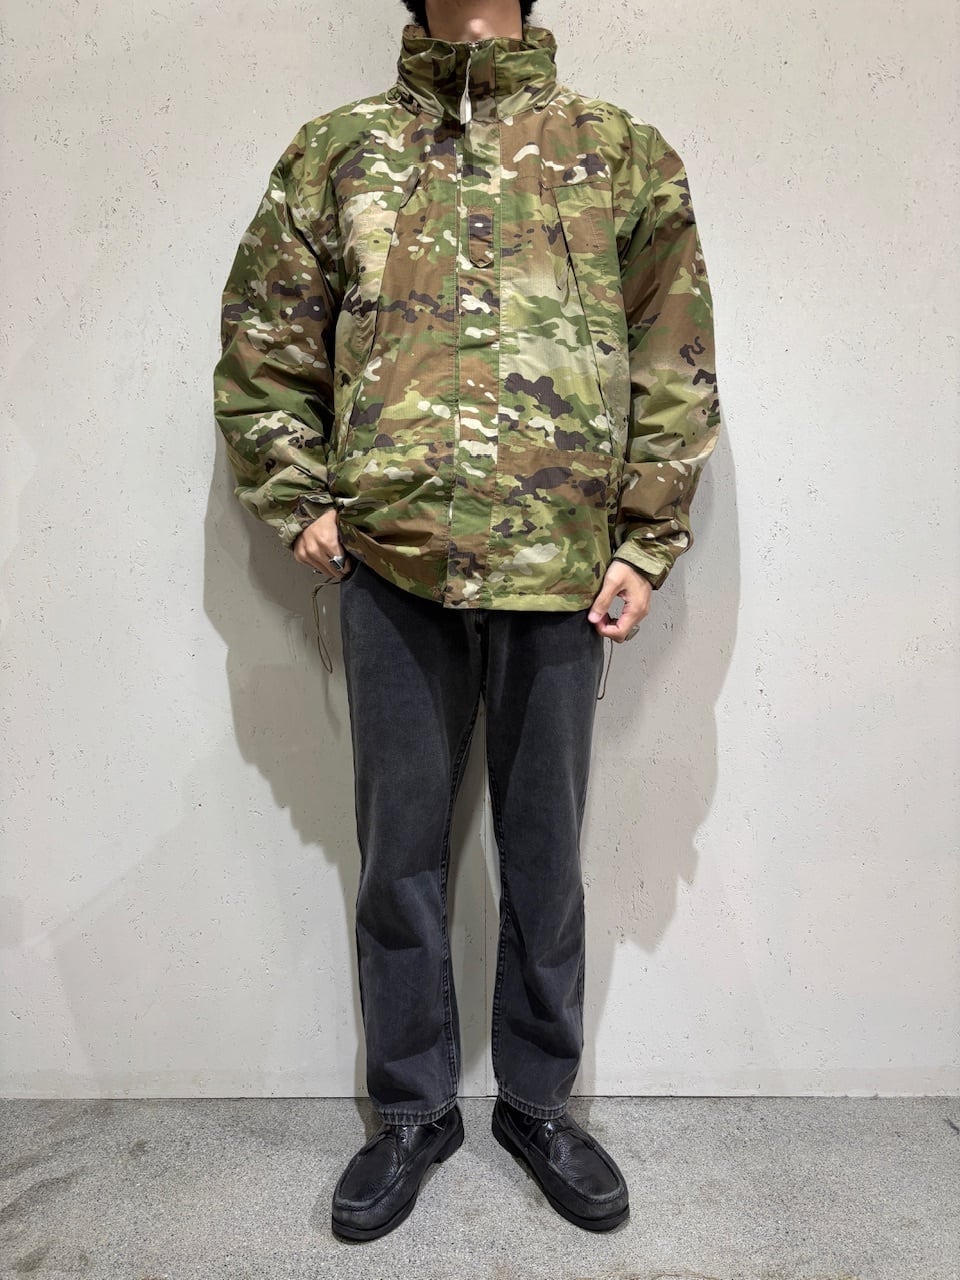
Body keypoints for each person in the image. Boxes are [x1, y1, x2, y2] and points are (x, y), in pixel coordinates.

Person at [213, 0, 720, 1243]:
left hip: (561, 568)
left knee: (546, 855)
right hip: (393, 564)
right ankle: (411, 1110)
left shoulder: (620, 151)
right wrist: (299, 497)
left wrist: (646, 537)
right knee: (399, 856)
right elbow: (265, 338)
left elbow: (675, 353)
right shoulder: (338, 150)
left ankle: (539, 1103)